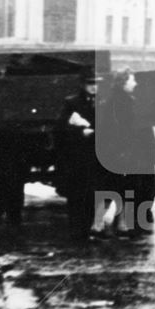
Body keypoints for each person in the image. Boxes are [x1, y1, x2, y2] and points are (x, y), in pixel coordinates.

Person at [96, 68, 155, 236]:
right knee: (120, 187)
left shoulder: (123, 99)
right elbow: (121, 129)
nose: (135, 83)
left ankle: (117, 221)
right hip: (122, 151)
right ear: (123, 82)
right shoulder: (120, 102)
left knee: (121, 187)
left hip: (124, 151)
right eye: (132, 80)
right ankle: (111, 222)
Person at [56, 70, 103, 242]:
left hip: (97, 155)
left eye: (97, 84)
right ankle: (77, 231)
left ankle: (88, 228)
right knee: (76, 195)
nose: (94, 87)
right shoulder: (72, 102)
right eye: (91, 84)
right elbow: (61, 128)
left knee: (93, 194)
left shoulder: (103, 102)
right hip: (78, 156)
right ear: (83, 85)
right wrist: (80, 132)